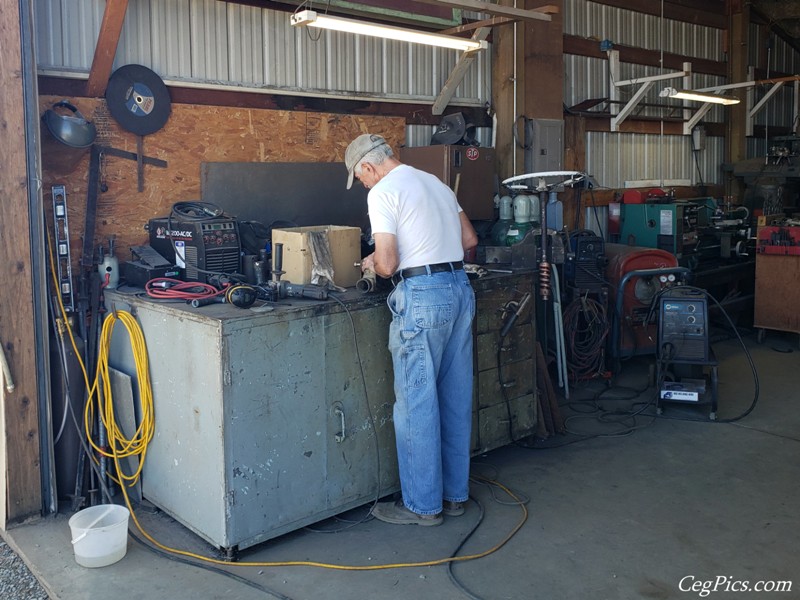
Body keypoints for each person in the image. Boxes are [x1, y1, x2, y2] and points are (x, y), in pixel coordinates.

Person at [344, 133, 478, 526]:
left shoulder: (382, 192)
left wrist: (370, 264)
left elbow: (387, 264)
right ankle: (454, 496)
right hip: (459, 289)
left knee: (417, 403)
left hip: (422, 297)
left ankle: (422, 506)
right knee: (455, 398)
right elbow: (468, 239)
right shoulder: (433, 181)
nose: (364, 185)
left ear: (369, 167)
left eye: (361, 177)